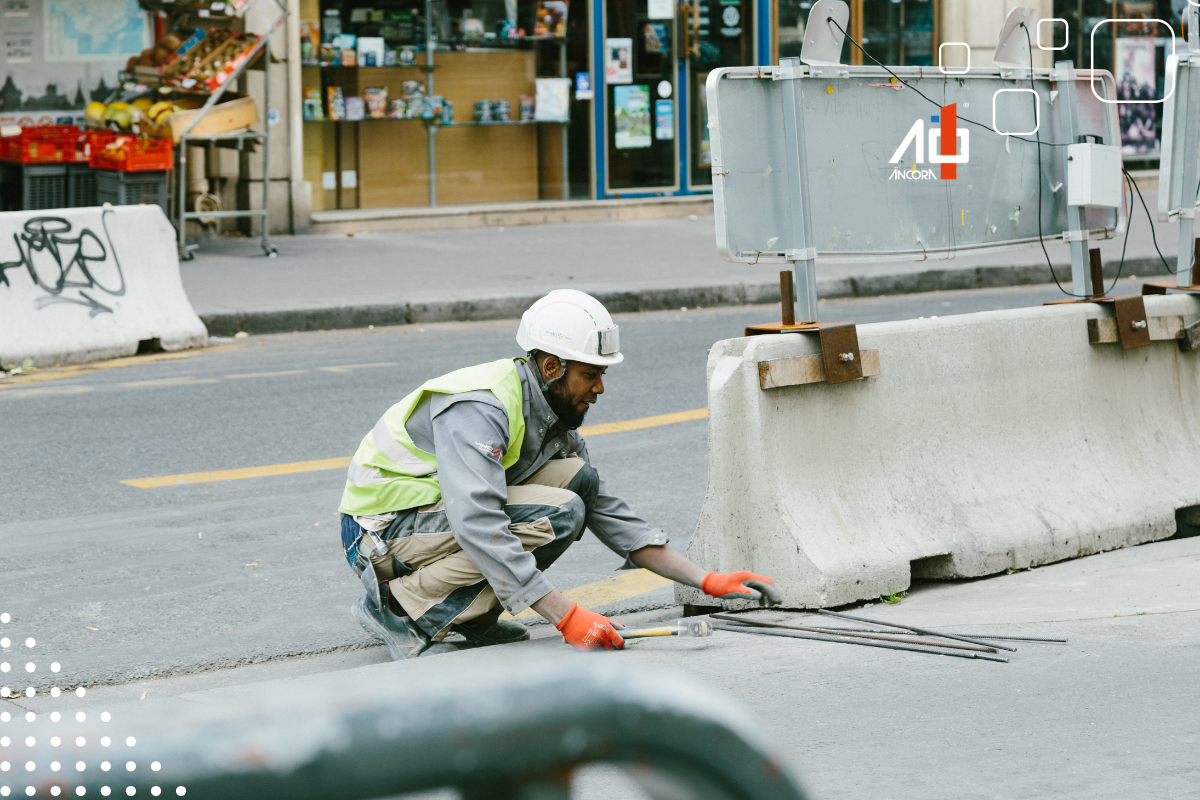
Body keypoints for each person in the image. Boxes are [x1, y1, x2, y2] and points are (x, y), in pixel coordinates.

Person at [338, 289, 780, 658]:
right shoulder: (481, 407)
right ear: (552, 368)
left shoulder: (551, 417)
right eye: (591, 374)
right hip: (379, 534)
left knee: (578, 483)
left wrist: (705, 580)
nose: (600, 388)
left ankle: (469, 618)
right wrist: (566, 617)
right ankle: (399, 610)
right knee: (560, 512)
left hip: (426, 523)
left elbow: (610, 514)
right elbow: (478, 522)